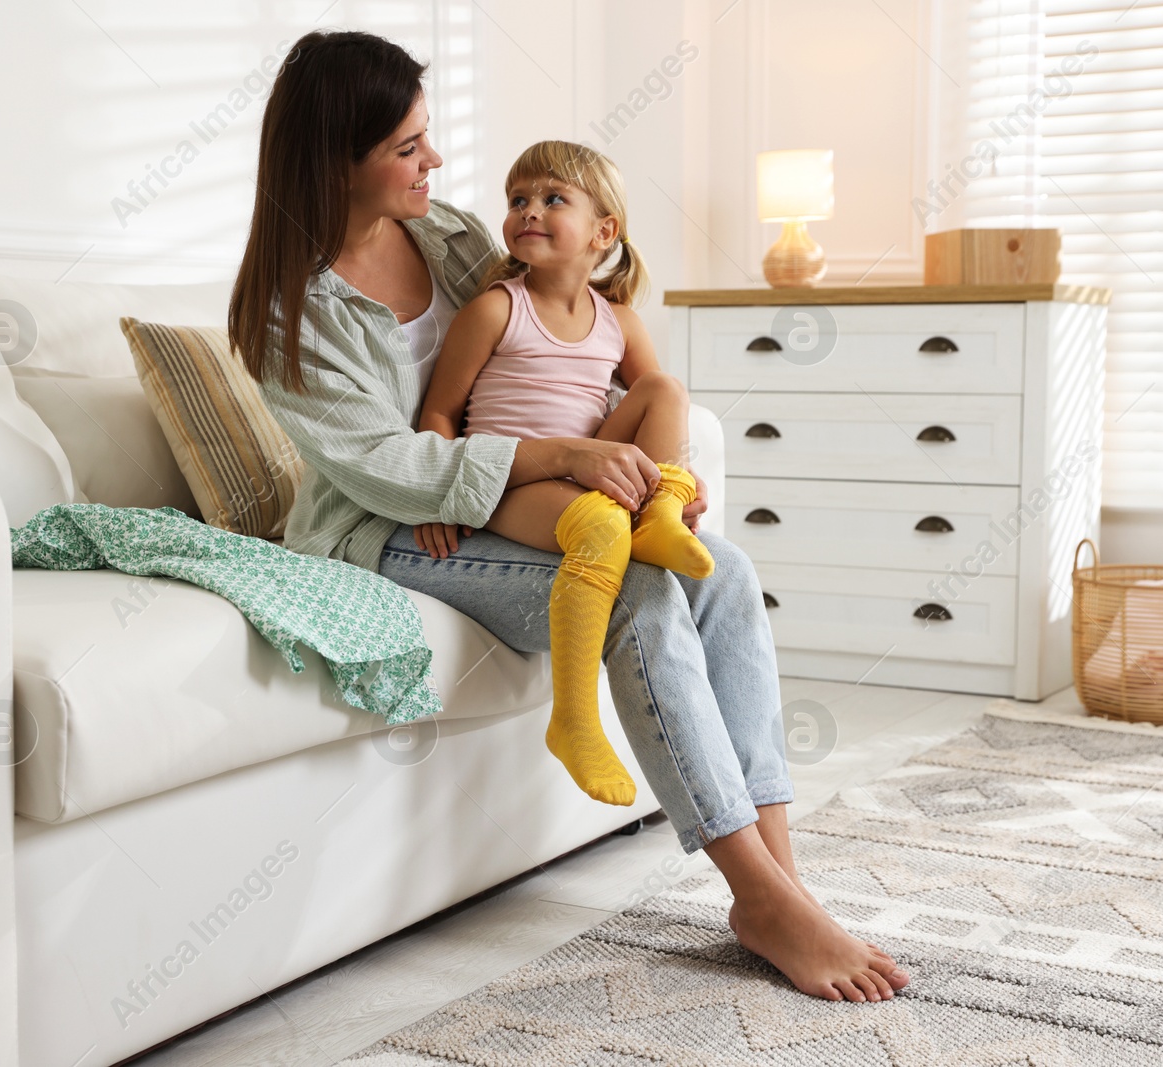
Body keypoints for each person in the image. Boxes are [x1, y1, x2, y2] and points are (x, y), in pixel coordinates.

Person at [227, 28, 909, 1004]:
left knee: (722, 574)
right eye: (408, 147)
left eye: (429, 138)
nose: (437, 162)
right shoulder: (290, 313)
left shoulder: (454, 237)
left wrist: (628, 448)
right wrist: (563, 455)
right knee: (636, 591)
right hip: (388, 531)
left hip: (513, 499)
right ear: (339, 157)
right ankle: (754, 891)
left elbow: (554, 334)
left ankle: (780, 878)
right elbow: (385, 464)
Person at [416, 139, 712, 809]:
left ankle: (660, 520)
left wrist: (680, 483)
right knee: (603, 526)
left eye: (553, 199)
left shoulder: (619, 322)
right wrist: (435, 491)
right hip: (505, 482)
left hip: (583, 470)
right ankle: (575, 720)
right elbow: (439, 409)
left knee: (665, 388)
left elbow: (653, 416)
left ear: (604, 231)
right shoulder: (497, 307)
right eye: (518, 199)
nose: (529, 211)